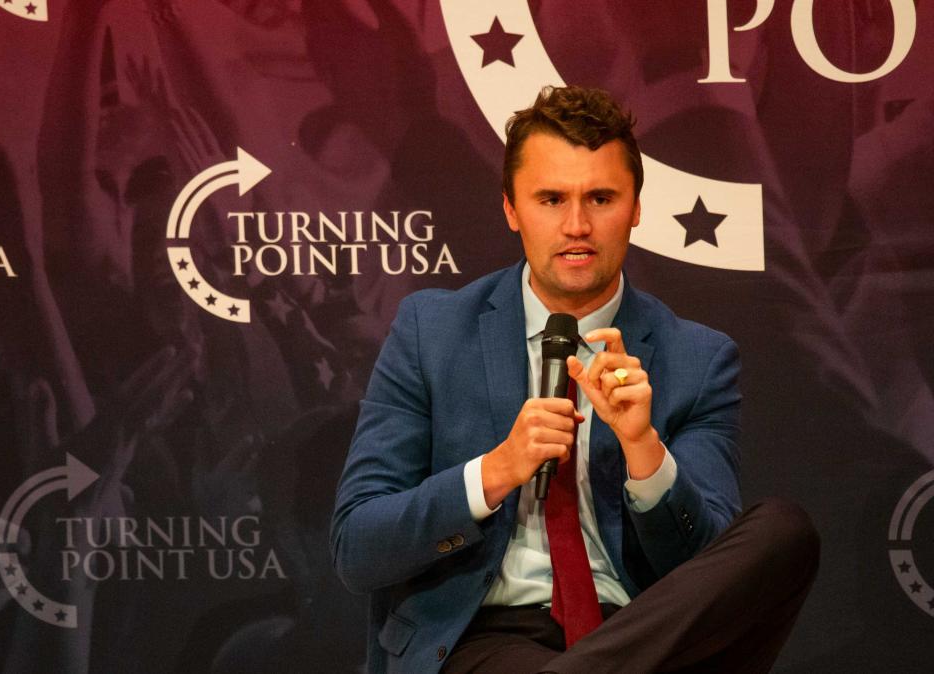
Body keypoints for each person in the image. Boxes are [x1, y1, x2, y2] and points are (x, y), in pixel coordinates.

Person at [331, 85, 819, 674]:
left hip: (647, 632)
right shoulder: (431, 332)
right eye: (551, 199)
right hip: (482, 637)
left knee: (783, 532)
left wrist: (645, 451)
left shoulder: (697, 357)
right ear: (512, 209)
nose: (577, 225)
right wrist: (494, 472)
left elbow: (707, 568)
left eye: (602, 198)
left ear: (637, 207)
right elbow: (358, 547)